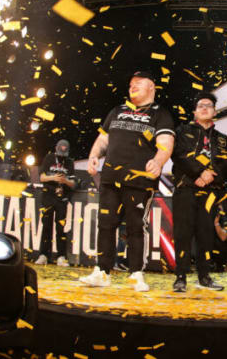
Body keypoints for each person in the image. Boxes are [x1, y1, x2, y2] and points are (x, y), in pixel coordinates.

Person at [80, 70, 175, 289]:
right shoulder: (117, 110)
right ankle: (102, 272)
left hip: (139, 181)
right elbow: (103, 138)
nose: (132, 86)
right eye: (131, 83)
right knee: (106, 224)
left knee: (135, 227)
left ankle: (135, 273)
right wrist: (94, 156)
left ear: (151, 87)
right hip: (111, 178)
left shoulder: (160, 113)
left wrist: (159, 162)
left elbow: (166, 141)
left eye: (138, 83)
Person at [171, 92, 227, 292]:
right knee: (182, 234)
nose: (205, 108)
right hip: (186, 188)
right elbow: (179, 155)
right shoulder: (182, 131)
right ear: (195, 112)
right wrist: (198, 173)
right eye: (200, 106)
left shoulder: (222, 139)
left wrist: (210, 176)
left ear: (215, 111)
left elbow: (226, 164)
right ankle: (180, 277)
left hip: (210, 193)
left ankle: (204, 276)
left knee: (206, 235)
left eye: (209, 105)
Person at [36, 139, 76, 266]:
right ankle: (43, 254)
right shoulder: (49, 158)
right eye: (61, 151)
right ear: (56, 149)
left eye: (65, 152)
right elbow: (41, 177)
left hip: (62, 198)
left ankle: (61, 256)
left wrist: (65, 181)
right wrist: (53, 178)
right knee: (46, 226)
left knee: (61, 228)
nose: (62, 154)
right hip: (48, 196)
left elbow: (74, 184)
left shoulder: (69, 162)